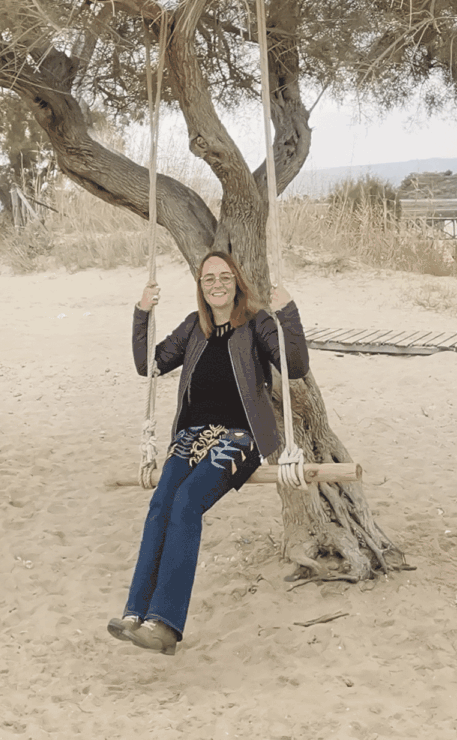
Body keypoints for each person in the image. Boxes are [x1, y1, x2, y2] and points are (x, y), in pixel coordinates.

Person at [109, 248, 308, 655]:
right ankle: (136, 613)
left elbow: (296, 365)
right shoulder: (192, 327)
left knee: (185, 502)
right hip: (191, 437)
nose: (217, 284)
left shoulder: (258, 324)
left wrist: (288, 312)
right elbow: (149, 365)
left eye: (224, 276)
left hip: (239, 438)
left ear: (237, 281)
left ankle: (164, 626)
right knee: (161, 503)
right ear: (200, 287)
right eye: (208, 278)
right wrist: (141, 313)